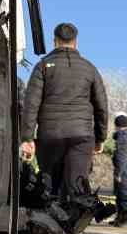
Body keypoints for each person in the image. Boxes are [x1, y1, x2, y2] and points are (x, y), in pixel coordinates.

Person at [19, 23, 108, 199]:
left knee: (50, 188)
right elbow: (101, 106)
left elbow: (31, 105)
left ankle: (50, 225)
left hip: (50, 137)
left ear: (55, 42)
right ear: (75, 42)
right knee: (78, 187)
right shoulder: (89, 68)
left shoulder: (42, 66)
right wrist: (100, 137)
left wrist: (27, 138)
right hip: (81, 137)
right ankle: (75, 224)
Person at [110, 113, 127, 226]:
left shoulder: (123, 136)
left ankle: (126, 219)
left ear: (117, 125)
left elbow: (121, 156)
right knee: (124, 194)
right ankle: (122, 218)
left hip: (124, 171)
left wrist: (118, 173)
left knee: (124, 195)